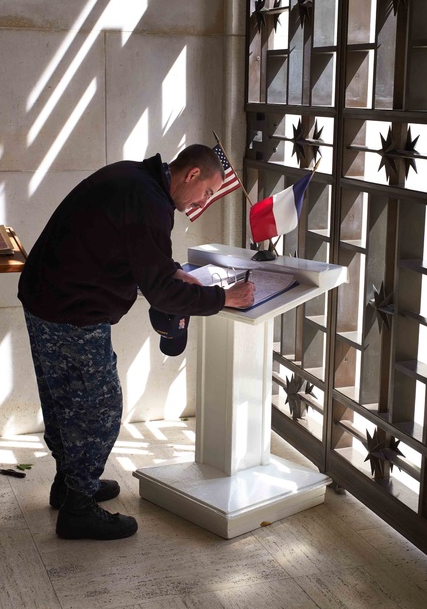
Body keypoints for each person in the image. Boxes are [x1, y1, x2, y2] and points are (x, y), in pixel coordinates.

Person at [18, 144, 255, 540]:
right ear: (192, 175)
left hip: (47, 298)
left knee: (63, 400)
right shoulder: (147, 201)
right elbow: (162, 294)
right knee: (99, 410)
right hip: (72, 312)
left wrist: (173, 271)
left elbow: (135, 251)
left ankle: (70, 485)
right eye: (209, 192)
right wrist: (223, 297)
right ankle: (78, 508)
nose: (206, 202)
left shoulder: (136, 179)